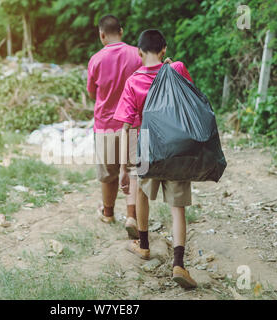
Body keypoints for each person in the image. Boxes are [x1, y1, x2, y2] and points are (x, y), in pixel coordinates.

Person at [113, 29, 197, 289]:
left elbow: (125, 127)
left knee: (142, 194)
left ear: (138, 53)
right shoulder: (177, 69)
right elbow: (191, 98)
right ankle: (179, 264)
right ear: (164, 49)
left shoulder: (132, 81)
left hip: (146, 143)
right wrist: (173, 67)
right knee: (177, 207)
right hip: (176, 146)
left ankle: (144, 245)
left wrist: (124, 168)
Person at [86, 15, 142, 239]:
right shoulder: (137, 54)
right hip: (133, 123)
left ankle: (108, 213)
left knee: (108, 172)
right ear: (122, 31)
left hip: (105, 124)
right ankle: (132, 216)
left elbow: (92, 92)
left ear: (101, 35)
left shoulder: (96, 59)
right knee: (133, 171)